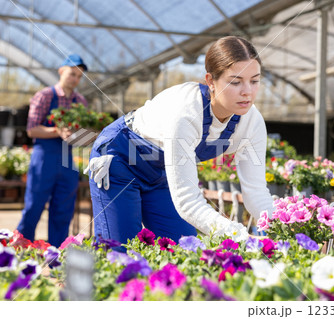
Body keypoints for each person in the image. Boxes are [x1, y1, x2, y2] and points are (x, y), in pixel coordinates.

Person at [87, 37, 274, 249]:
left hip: (160, 171)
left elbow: (256, 192)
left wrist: (286, 229)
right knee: (120, 251)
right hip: (120, 158)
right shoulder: (187, 113)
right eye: (235, 82)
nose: (247, 91)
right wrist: (237, 235)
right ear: (211, 81)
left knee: (183, 249)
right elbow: (188, 202)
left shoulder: (252, 123)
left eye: (255, 80)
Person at [17, 54, 88, 248]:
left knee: (63, 210)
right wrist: (57, 130)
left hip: (67, 159)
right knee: (33, 207)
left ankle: (56, 255)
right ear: (61, 71)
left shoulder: (80, 102)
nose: (75, 79)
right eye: (72, 74)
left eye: (79, 76)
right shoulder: (45, 96)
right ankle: (22, 252)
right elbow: (32, 129)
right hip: (44, 157)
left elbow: (81, 134)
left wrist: (85, 135)